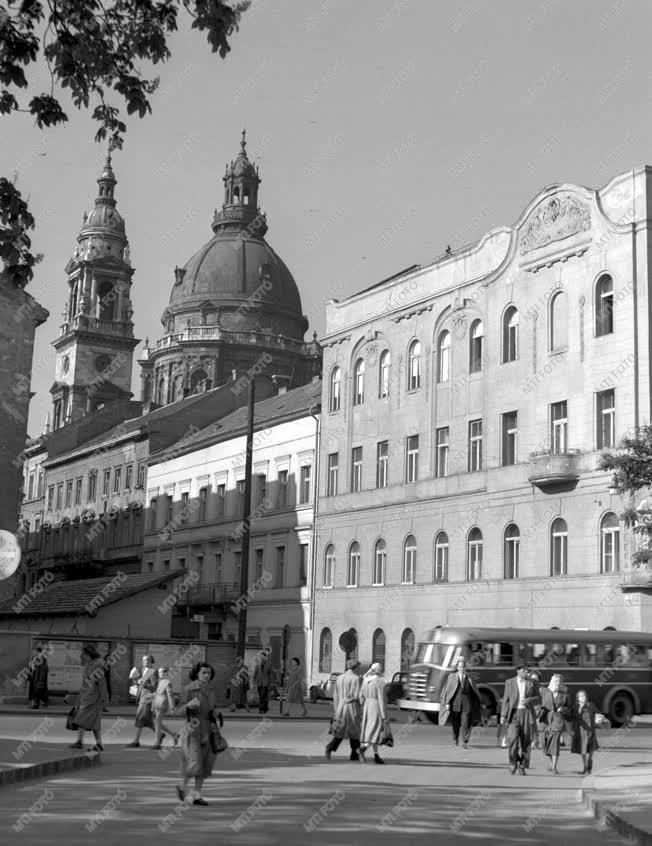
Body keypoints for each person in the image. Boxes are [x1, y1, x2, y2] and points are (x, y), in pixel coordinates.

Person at [175, 661, 223, 805]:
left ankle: (196, 795)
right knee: (194, 764)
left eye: (208, 673)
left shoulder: (212, 689)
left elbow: (212, 708)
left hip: (208, 730)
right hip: (193, 731)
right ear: (197, 673)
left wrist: (215, 713)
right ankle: (182, 787)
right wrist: (188, 706)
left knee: (205, 765)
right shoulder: (189, 689)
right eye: (203, 672)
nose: (206, 675)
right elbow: (178, 712)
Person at [500, 663, 540, 775]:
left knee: (526, 741)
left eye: (527, 670)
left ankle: (522, 766)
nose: (526, 672)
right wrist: (503, 715)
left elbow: (538, 698)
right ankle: (513, 763)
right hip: (514, 714)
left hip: (527, 713)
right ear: (518, 671)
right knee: (512, 740)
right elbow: (506, 700)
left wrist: (529, 700)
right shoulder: (509, 682)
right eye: (524, 670)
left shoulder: (532, 682)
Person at [69, 644, 108, 752]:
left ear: (88, 654)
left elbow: (101, 684)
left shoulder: (97, 665)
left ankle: (80, 742)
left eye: (83, 654)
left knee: (81, 719)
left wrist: (104, 699)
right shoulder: (88, 665)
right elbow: (85, 683)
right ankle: (98, 744)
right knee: (94, 723)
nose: (81, 656)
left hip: (94, 698)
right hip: (87, 697)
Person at [440, 657, 482, 748]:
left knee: (466, 722)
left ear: (465, 668)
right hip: (455, 703)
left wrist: (477, 702)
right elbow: (447, 690)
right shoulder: (452, 676)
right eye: (460, 667)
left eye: (463, 667)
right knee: (456, 723)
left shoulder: (470, 677)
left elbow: (474, 690)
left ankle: (464, 741)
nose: (461, 669)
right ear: (457, 667)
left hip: (467, 704)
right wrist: (447, 703)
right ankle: (455, 739)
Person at [325, 659, 363, 761]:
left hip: (341, 706)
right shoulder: (357, 679)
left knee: (341, 730)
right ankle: (354, 754)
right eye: (359, 667)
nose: (360, 669)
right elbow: (358, 695)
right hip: (352, 706)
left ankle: (332, 747)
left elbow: (336, 695)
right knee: (354, 731)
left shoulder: (340, 678)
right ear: (356, 667)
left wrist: (336, 709)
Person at [538, 673, 571, 774]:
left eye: (559, 682)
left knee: (555, 744)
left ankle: (554, 767)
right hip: (546, 721)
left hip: (557, 722)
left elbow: (570, 709)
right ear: (552, 682)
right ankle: (551, 763)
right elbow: (537, 701)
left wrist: (564, 709)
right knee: (545, 744)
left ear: (562, 684)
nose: (557, 683)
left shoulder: (565, 696)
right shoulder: (544, 692)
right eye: (556, 681)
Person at [359, 662, 389, 764]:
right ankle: (363, 748)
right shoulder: (380, 682)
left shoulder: (365, 680)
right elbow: (381, 699)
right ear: (379, 671)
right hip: (376, 707)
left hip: (367, 706)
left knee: (370, 731)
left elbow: (361, 697)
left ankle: (376, 755)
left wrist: (363, 706)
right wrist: (384, 716)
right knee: (376, 731)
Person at [126, 655, 158, 747]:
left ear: (152, 661)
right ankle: (163, 734)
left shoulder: (153, 672)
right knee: (147, 721)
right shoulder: (143, 670)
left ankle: (136, 741)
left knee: (140, 718)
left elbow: (154, 687)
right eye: (144, 660)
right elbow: (140, 683)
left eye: (147, 660)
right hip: (142, 697)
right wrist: (135, 681)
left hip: (147, 698)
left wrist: (143, 683)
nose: (145, 662)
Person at [571, 689, 600, 775]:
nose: (584, 698)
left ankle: (590, 760)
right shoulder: (576, 707)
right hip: (580, 731)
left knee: (591, 748)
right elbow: (570, 716)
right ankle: (585, 767)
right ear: (578, 698)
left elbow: (598, 713)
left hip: (590, 730)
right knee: (583, 750)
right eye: (582, 696)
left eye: (585, 696)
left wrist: (600, 718)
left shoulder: (590, 705)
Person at [152, 667, 180, 750]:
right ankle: (174, 735)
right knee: (158, 723)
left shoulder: (167, 682)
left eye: (162, 672)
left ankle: (157, 743)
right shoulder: (160, 682)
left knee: (157, 723)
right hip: (157, 704)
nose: (160, 674)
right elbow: (156, 694)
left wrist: (172, 708)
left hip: (162, 704)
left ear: (166, 673)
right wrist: (153, 706)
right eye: (159, 672)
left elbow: (170, 695)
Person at [253, 648, 272, 715]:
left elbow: (270, 674)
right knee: (262, 696)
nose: (262, 658)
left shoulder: (269, 664)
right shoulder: (258, 665)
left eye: (263, 657)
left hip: (266, 683)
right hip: (259, 683)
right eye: (261, 657)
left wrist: (270, 683)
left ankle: (261, 709)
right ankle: (265, 708)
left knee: (263, 696)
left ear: (265, 657)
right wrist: (254, 683)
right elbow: (255, 674)